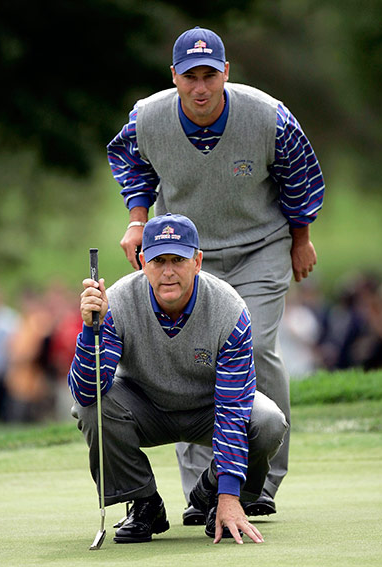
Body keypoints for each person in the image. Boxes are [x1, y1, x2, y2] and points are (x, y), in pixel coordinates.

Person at [107, 26, 325, 523]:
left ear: (226, 73)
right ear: (175, 78)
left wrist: (301, 238)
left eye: (210, 75)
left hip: (259, 246)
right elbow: (132, 163)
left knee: (255, 345)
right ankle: (200, 492)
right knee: (185, 354)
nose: (200, 87)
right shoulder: (148, 116)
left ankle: (259, 481)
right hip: (182, 254)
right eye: (190, 77)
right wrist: (138, 220)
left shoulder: (268, 116)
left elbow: (301, 174)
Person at [68, 213, 288, 544]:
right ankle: (145, 503)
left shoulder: (229, 310)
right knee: (92, 409)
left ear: (197, 261)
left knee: (268, 420)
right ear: (142, 262)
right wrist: (90, 330)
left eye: (178, 259)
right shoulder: (116, 303)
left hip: (209, 408)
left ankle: (216, 493)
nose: (168, 271)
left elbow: (232, 407)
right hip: (145, 407)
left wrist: (230, 494)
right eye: (158, 260)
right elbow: (87, 393)